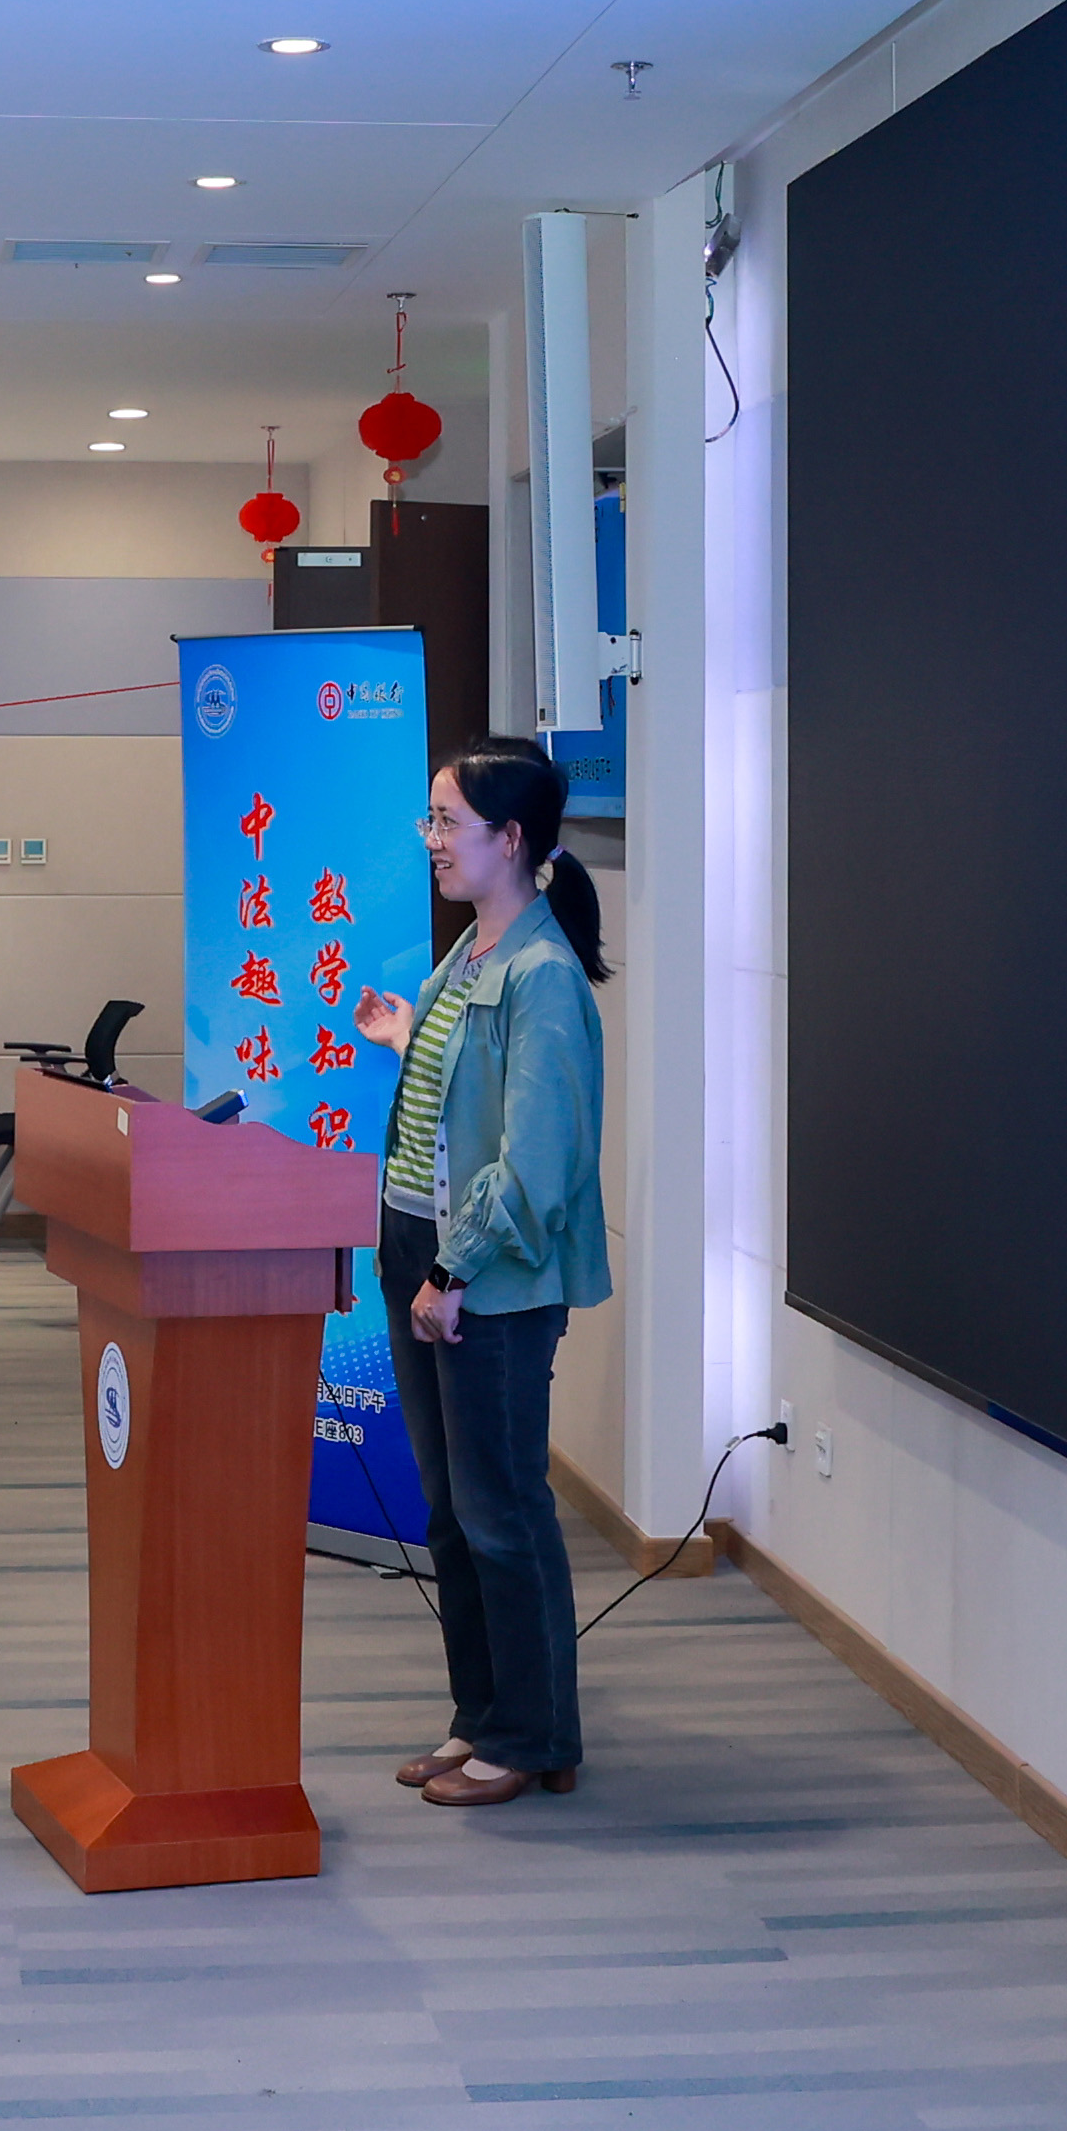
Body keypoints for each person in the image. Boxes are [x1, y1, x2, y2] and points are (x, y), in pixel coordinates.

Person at [347, 747, 616, 1811]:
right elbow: (473, 1099)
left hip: (483, 1277)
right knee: (454, 1513)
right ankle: (482, 1715)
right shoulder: (471, 951)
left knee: (503, 1511)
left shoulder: (544, 976)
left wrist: (452, 1270)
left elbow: (538, 1163)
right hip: (420, 1250)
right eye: (430, 820)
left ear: (510, 840)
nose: (433, 841)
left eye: (448, 822)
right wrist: (406, 1039)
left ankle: (534, 1735)